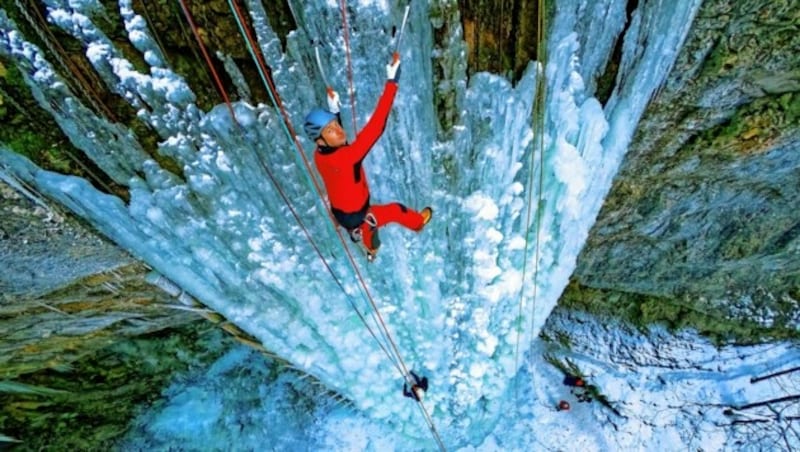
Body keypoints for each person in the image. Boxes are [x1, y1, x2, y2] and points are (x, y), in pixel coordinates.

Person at [303, 55, 432, 261]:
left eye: (335, 126)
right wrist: (392, 83)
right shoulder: (347, 158)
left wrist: (334, 111)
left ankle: (358, 233)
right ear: (320, 140)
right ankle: (413, 226)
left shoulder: (320, 154)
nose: (338, 131)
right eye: (331, 130)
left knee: (366, 219)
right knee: (394, 211)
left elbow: (338, 143)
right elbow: (376, 127)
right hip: (359, 215)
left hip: (341, 212)